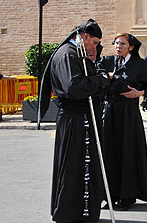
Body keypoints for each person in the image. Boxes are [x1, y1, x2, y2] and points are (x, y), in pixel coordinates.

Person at [38, 19, 107, 222]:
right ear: (84, 36)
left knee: (79, 166)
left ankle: (79, 210)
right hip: (75, 119)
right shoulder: (68, 54)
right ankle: (71, 213)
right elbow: (74, 87)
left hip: (80, 118)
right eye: (94, 42)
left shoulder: (76, 52)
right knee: (74, 167)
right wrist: (100, 80)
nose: (95, 47)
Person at [97, 33, 147, 211]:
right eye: (116, 43)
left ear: (131, 47)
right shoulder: (107, 61)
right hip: (109, 112)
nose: (118, 46)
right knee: (108, 152)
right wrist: (105, 77)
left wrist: (139, 94)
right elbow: (97, 76)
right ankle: (109, 195)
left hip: (129, 113)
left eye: (122, 44)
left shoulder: (139, 65)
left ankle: (127, 196)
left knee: (127, 152)